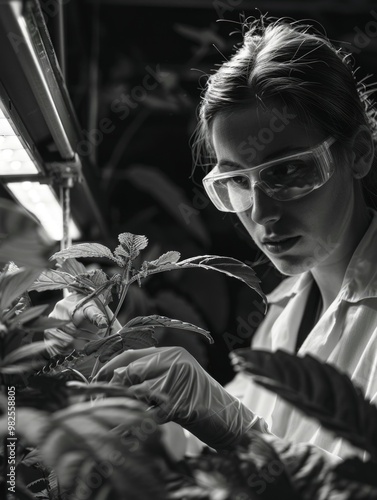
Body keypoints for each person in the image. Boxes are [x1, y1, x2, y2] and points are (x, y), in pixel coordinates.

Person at [48, 17, 377, 459]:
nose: (261, 213)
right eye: (237, 182)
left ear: (358, 152)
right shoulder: (285, 314)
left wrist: (239, 434)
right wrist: (121, 363)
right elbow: (214, 457)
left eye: (286, 170)